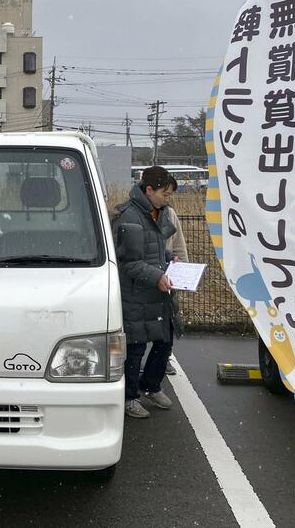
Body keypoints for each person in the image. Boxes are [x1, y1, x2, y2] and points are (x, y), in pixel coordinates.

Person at [112, 166, 181, 419]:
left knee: (165, 342)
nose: (168, 199)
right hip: (137, 294)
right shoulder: (129, 216)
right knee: (136, 347)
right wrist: (157, 275)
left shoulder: (157, 212)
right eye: (165, 193)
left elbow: (152, 249)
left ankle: (151, 386)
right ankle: (130, 397)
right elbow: (128, 262)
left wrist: (169, 257)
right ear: (149, 190)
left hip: (156, 292)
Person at [161, 176, 188, 376]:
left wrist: (183, 271)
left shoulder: (169, 213)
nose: (168, 198)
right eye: (166, 193)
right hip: (147, 276)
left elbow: (178, 243)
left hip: (168, 274)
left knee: (168, 319)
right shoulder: (133, 213)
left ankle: (165, 357)